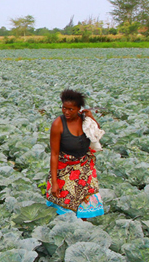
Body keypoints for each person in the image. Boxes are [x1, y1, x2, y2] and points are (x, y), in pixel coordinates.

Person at [45, 89, 105, 218]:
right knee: (65, 206)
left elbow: (96, 134)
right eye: (64, 108)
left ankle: (83, 227)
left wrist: (92, 118)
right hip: (65, 169)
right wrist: (54, 182)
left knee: (85, 204)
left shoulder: (85, 121)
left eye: (71, 109)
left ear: (79, 109)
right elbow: (54, 154)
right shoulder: (58, 124)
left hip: (84, 168)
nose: (66, 112)